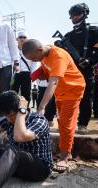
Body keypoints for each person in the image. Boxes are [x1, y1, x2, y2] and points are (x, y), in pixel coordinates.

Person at [23, 39, 85, 172]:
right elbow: (46, 68)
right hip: (61, 91)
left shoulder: (58, 56)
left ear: (39, 50)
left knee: (66, 122)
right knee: (62, 120)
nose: (34, 61)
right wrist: (35, 74)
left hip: (73, 89)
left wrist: (41, 107)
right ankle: (66, 150)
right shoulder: (44, 54)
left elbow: (53, 83)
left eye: (34, 58)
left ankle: (65, 156)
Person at [62, 3, 98, 134]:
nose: (74, 18)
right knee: (69, 98)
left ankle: (82, 124)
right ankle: (67, 123)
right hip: (71, 71)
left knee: (86, 97)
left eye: (77, 14)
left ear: (84, 14)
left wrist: (90, 60)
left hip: (87, 69)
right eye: (72, 16)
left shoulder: (94, 32)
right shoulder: (68, 36)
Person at [12, 31, 34, 105]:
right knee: (13, 93)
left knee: (26, 94)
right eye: (20, 37)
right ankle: (13, 109)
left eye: (24, 37)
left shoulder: (31, 49)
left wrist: (33, 75)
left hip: (26, 74)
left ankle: (25, 110)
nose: (22, 39)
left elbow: (34, 63)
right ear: (17, 39)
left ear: (27, 39)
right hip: (15, 74)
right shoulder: (12, 50)